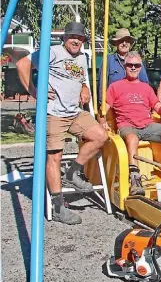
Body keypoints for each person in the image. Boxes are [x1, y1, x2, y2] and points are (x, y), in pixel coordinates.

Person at [15, 21, 108, 225]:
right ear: (65, 38)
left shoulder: (82, 58)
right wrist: (34, 91)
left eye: (80, 37)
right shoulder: (53, 52)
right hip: (54, 113)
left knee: (101, 136)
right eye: (72, 37)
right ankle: (58, 206)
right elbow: (22, 64)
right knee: (54, 157)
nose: (76, 40)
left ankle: (73, 172)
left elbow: (81, 79)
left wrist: (85, 87)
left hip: (74, 112)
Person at [99, 51, 161, 194]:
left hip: (147, 125)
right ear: (125, 66)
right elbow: (103, 110)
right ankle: (135, 179)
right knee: (132, 138)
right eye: (130, 65)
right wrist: (102, 123)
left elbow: (159, 111)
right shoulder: (115, 87)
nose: (133, 68)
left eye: (136, 65)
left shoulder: (146, 88)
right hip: (127, 126)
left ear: (141, 67)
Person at [97, 28, 149, 101]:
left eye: (127, 41)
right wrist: (102, 104)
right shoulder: (108, 60)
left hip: (134, 102)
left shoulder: (137, 60)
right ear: (116, 43)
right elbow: (102, 85)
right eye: (121, 41)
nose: (124, 43)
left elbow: (145, 83)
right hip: (113, 103)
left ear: (130, 44)